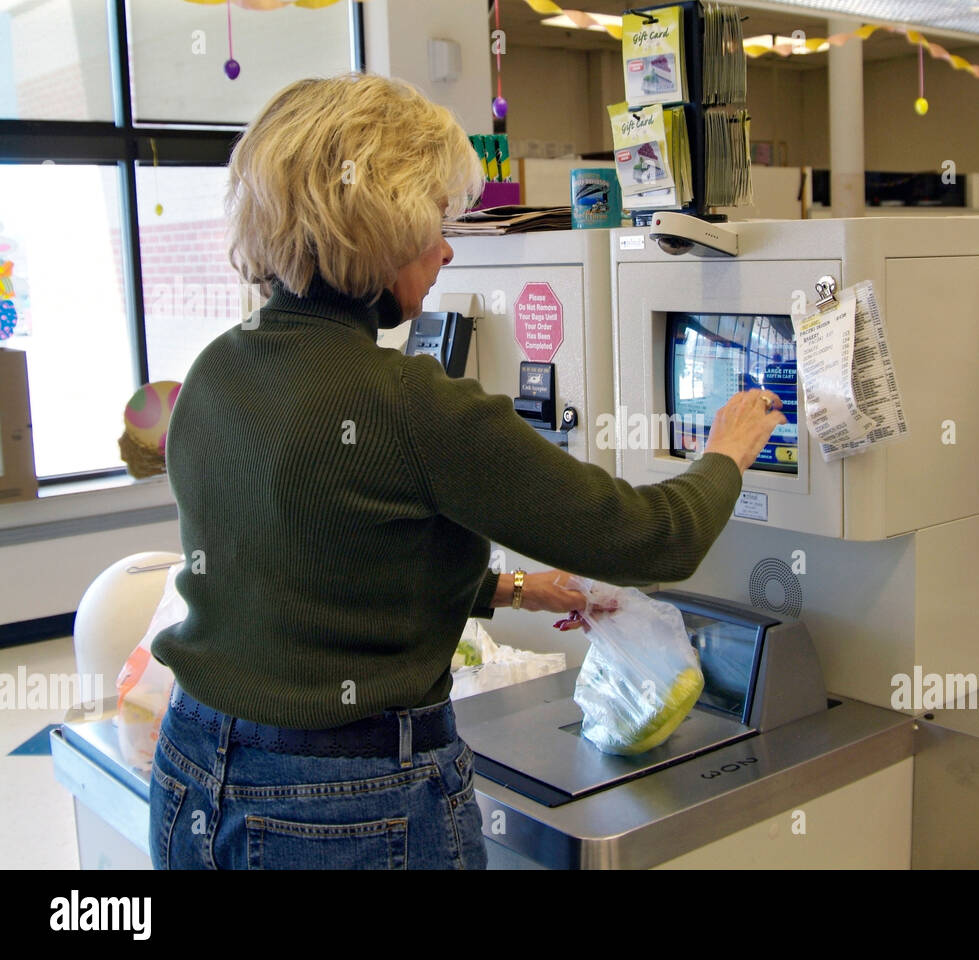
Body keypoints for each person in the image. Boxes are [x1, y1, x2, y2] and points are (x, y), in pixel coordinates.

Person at [147, 73, 785, 870]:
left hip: (195, 772)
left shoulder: (215, 371)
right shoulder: (410, 403)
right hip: (345, 801)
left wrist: (516, 588)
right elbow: (653, 539)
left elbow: (310, 557)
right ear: (375, 231)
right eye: (433, 226)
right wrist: (726, 453)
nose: (448, 248)